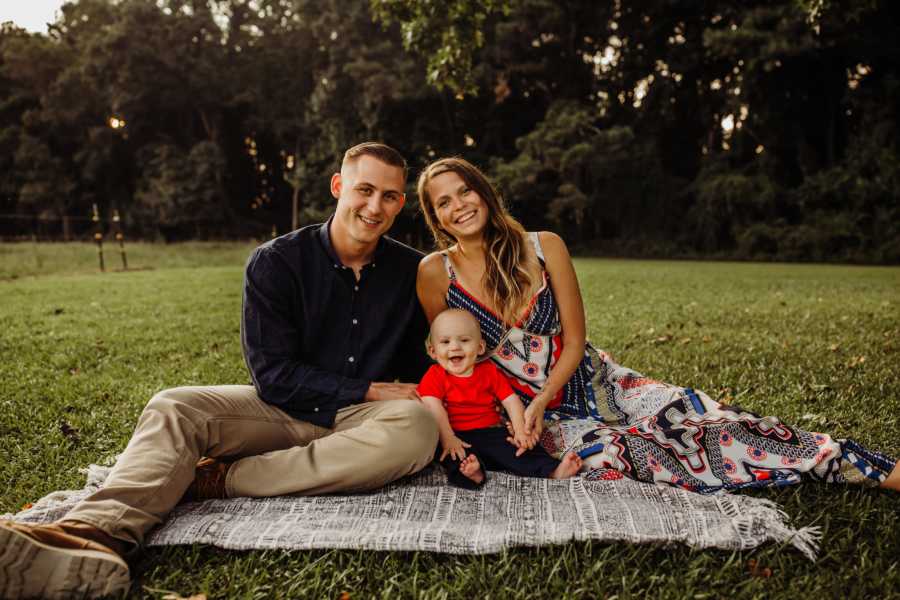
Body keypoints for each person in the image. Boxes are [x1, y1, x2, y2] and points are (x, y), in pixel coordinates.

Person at [0, 142, 439, 599]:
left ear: (400, 203)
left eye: (389, 196)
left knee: (417, 427)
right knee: (174, 405)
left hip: (361, 422)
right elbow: (272, 375)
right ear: (337, 186)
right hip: (281, 408)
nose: (374, 206)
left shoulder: (413, 270)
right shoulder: (278, 262)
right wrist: (367, 389)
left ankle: (219, 478)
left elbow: (422, 367)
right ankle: (91, 536)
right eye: (364, 190)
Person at [414, 156, 900, 495]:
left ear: (483, 191)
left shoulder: (545, 246)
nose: (459, 205)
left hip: (595, 383)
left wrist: (545, 395)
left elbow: (576, 339)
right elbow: (450, 358)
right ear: (435, 217)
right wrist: (520, 415)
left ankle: (856, 464)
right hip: (523, 418)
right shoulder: (437, 273)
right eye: (443, 202)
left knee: (695, 414)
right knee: (630, 450)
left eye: (465, 191)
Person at [417, 307, 582, 488]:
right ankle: (474, 474)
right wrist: (448, 437)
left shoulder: (489, 371)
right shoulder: (435, 375)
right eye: (445, 342)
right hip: (456, 435)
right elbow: (433, 406)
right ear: (433, 351)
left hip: (490, 431)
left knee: (520, 449)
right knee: (453, 457)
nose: (454, 347)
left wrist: (520, 430)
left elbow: (510, 401)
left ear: (480, 347)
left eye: (464, 340)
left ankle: (553, 470)